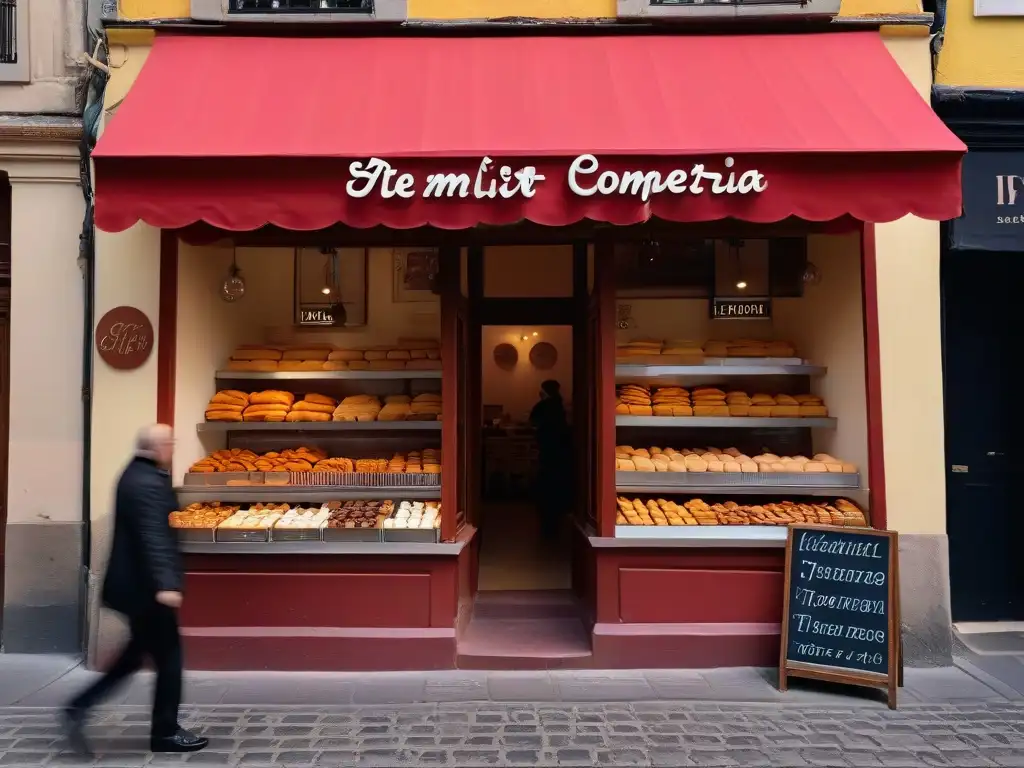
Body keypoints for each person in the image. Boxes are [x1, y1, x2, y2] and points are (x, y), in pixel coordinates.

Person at [64, 424, 207, 756]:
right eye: (170, 442)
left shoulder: (133, 474)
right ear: (157, 447)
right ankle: (165, 733)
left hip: (134, 587)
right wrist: (167, 583)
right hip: (146, 589)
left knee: (132, 658)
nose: (172, 446)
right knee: (170, 657)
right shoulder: (147, 484)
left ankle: (78, 707)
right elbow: (153, 536)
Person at [529, 380, 571, 539]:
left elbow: (533, 420)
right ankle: (555, 519)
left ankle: (547, 522)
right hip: (561, 452)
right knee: (557, 486)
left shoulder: (544, 405)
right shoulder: (560, 405)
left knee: (546, 486)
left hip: (548, 452)